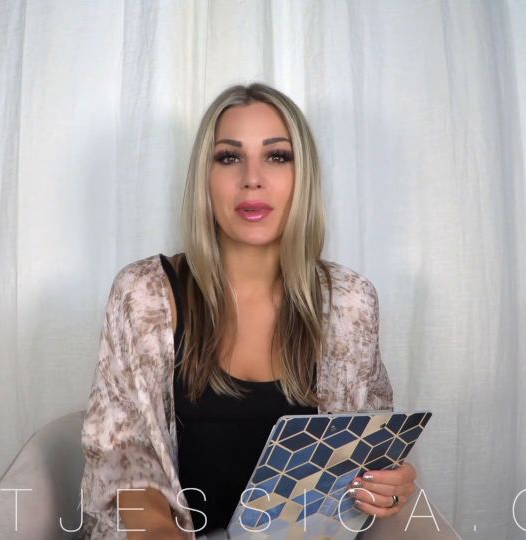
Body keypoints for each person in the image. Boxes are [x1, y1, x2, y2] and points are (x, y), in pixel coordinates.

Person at [80, 82, 416, 539]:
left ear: (303, 177)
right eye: (229, 157)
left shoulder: (350, 301)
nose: (252, 178)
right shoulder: (143, 294)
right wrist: (161, 532)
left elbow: (369, 454)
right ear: (205, 177)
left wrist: (388, 485)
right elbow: (120, 456)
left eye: (277, 156)